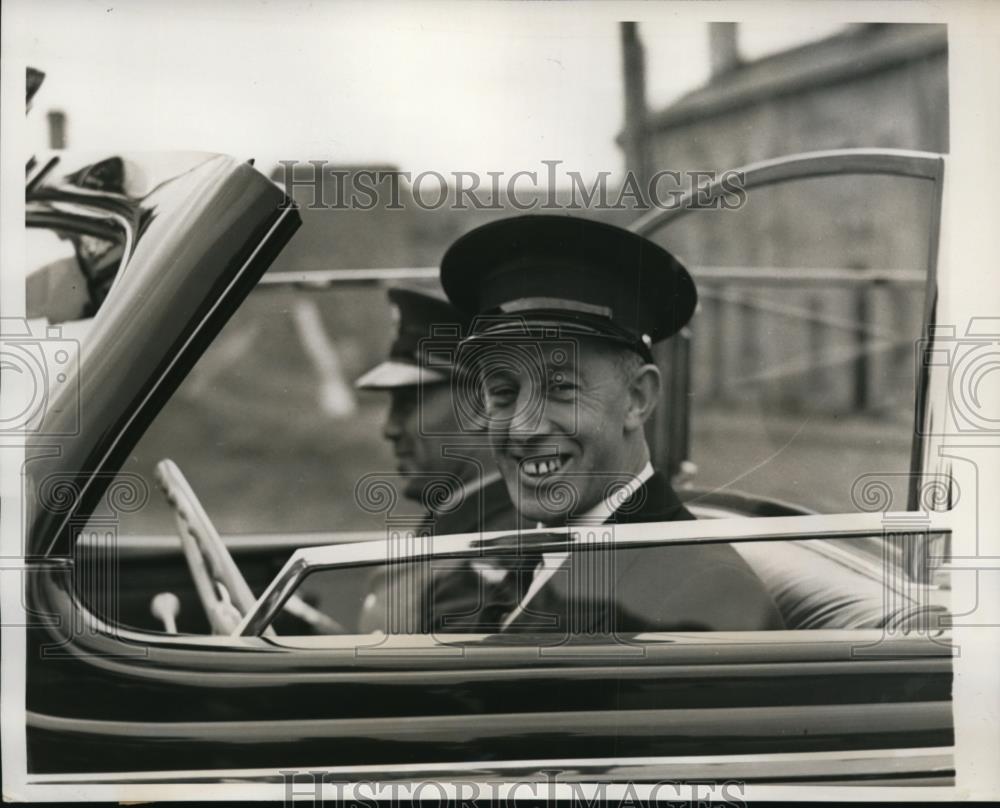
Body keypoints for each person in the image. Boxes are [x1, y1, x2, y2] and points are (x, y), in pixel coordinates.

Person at [439, 214, 784, 634]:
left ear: (637, 400)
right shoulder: (534, 551)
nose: (523, 429)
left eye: (560, 387)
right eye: (504, 393)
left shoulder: (706, 594)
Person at [354, 284, 521, 633]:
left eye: (409, 402)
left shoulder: (497, 546)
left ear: (479, 406)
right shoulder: (463, 526)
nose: (389, 429)